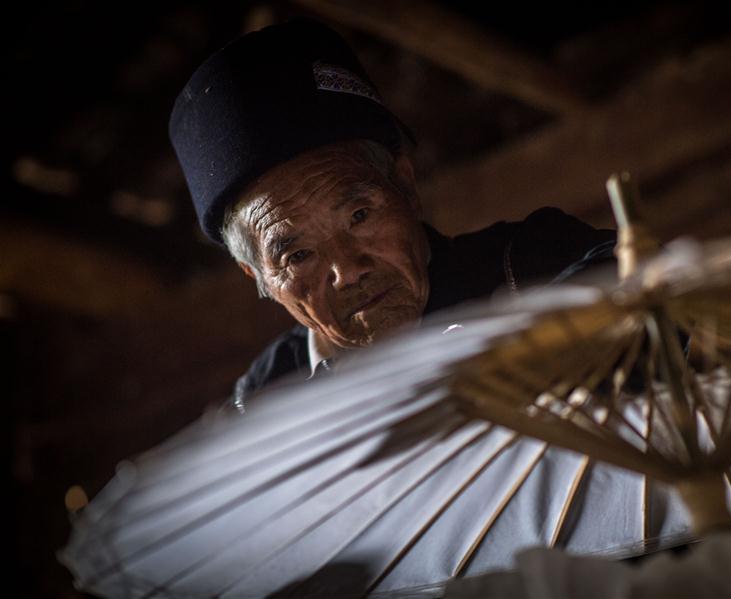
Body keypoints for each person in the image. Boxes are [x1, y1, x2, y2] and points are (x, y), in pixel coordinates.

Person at [169, 18, 616, 414]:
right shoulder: (264, 403)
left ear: (404, 184)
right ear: (259, 277)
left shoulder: (527, 266)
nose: (348, 271)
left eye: (359, 215)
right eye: (300, 254)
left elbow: (636, 289)